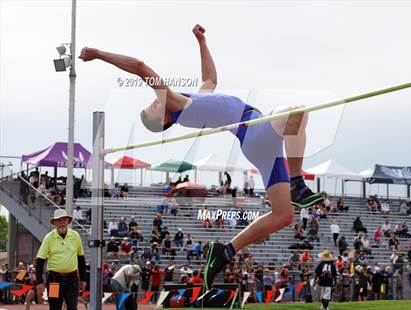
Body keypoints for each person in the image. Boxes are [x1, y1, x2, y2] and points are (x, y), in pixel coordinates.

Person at [79, 24, 323, 291]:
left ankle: (225, 251)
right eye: (154, 103)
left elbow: (210, 81)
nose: (156, 99)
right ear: (164, 116)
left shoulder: (191, 101)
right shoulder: (175, 104)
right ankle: (297, 183)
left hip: (257, 143)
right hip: (255, 129)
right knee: (297, 111)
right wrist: (99, 54)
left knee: (283, 215)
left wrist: (201, 42)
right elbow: (139, 65)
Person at [35, 209, 87, 310]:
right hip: (54, 280)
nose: (62, 222)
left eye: (64, 220)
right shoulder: (48, 238)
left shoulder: (75, 236)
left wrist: (83, 279)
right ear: (54, 223)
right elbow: (40, 261)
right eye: (59, 220)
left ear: (68, 221)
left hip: (72, 279)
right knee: (55, 308)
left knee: (72, 307)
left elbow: (81, 259)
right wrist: (39, 282)